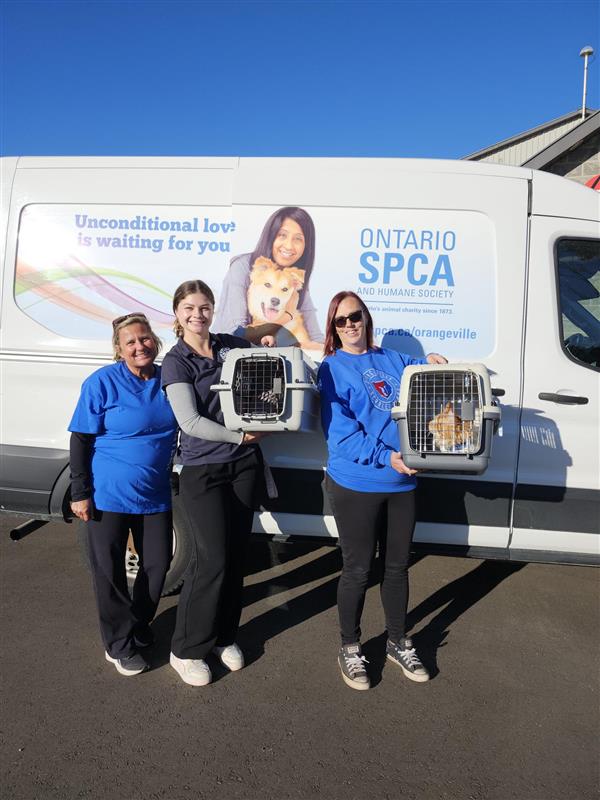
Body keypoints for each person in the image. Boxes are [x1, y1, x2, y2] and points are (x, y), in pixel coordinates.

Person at [318, 291, 447, 691]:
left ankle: (397, 641)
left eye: (355, 316)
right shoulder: (332, 368)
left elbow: (419, 372)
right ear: (333, 327)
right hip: (357, 482)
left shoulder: (392, 358)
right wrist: (387, 457)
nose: (350, 325)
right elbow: (340, 435)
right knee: (357, 569)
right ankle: (350, 646)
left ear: (366, 318)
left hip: (401, 482)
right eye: (341, 320)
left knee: (396, 568)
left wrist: (431, 360)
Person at [160, 279, 269, 686]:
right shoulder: (177, 361)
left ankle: (225, 636)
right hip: (203, 469)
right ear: (177, 313)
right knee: (212, 561)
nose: (198, 315)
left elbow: (254, 340)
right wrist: (238, 436)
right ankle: (186, 649)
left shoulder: (227, 345)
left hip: (243, 466)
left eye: (204, 307)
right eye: (189, 308)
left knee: (237, 557)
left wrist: (265, 339)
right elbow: (190, 422)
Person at [69, 313, 177, 677]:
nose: (139, 346)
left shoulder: (168, 379)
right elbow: (81, 439)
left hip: (155, 493)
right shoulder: (102, 382)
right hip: (108, 495)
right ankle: (118, 645)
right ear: (118, 348)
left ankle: (138, 622)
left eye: (144, 338)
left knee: (157, 565)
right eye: (130, 341)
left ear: (155, 341)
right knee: (109, 571)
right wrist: (80, 492)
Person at [213, 206, 324, 348]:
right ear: (271, 236)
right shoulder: (242, 267)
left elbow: (316, 337)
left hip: (271, 357)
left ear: (306, 245)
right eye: (282, 235)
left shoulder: (294, 278)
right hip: (227, 354)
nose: (289, 245)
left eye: (298, 239)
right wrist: (287, 316)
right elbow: (235, 332)